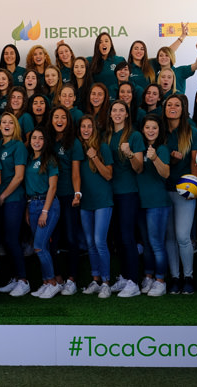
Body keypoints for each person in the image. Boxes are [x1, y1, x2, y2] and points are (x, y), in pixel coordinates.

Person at [163, 94, 197, 294]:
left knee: (182, 236)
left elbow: (195, 163)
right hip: (163, 191)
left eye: (176, 105)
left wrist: (194, 189)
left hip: (184, 192)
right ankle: (175, 277)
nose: (172, 107)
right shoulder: (160, 132)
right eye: (169, 104)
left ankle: (188, 276)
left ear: (183, 108)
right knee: (169, 237)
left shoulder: (193, 132)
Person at [104, 100, 144, 298]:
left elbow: (139, 168)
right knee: (116, 238)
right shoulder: (108, 135)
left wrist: (129, 154)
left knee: (128, 237)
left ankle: (134, 281)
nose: (118, 113)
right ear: (110, 114)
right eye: (114, 110)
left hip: (128, 192)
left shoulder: (134, 135)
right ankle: (124, 276)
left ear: (127, 114)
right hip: (110, 194)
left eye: (121, 110)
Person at [77, 115, 114, 298]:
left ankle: (107, 282)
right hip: (85, 202)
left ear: (94, 129)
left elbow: (108, 175)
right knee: (90, 243)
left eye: (89, 126)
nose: (86, 130)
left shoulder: (103, 147)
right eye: (83, 126)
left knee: (100, 241)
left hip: (102, 201)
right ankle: (96, 279)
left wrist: (95, 157)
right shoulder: (78, 148)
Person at [47, 107, 84, 295]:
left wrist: (77, 193)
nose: (59, 120)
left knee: (71, 238)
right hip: (51, 197)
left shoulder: (74, 143)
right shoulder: (47, 141)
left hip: (69, 196)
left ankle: (72, 279)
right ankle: (58, 277)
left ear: (68, 121)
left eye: (63, 117)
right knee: (52, 240)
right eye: (56, 116)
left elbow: (76, 172)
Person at [136, 114, 171, 297]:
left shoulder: (162, 149)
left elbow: (166, 173)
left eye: (154, 128)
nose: (151, 131)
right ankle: (148, 276)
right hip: (141, 202)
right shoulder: (138, 149)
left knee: (157, 243)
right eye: (148, 127)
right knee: (147, 244)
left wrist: (155, 157)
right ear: (143, 129)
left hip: (157, 203)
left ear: (159, 130)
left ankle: (160, 280)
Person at [0, 112, 29, 297]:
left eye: (10, 122)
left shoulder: (18, 146)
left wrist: (4, 196)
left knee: (12, 239)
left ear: (15, 126)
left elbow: (19, 176)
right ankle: (14, 278)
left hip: (13, 199)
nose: (6, 125)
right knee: (4, 241)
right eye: (3, 122)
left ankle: (23, 280)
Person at [25, 127, 62, 299]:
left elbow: (53, 187)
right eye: (34, 138)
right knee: (42, 246)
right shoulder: (29, 159)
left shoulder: (50, 159)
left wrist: (45, 211)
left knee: (39, 246)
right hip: (32, 204)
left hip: (47, 205)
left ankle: (52, 282)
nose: (37, 141)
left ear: (45, 141)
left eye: (40, 138)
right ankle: (46, 282)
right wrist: (28, 208)